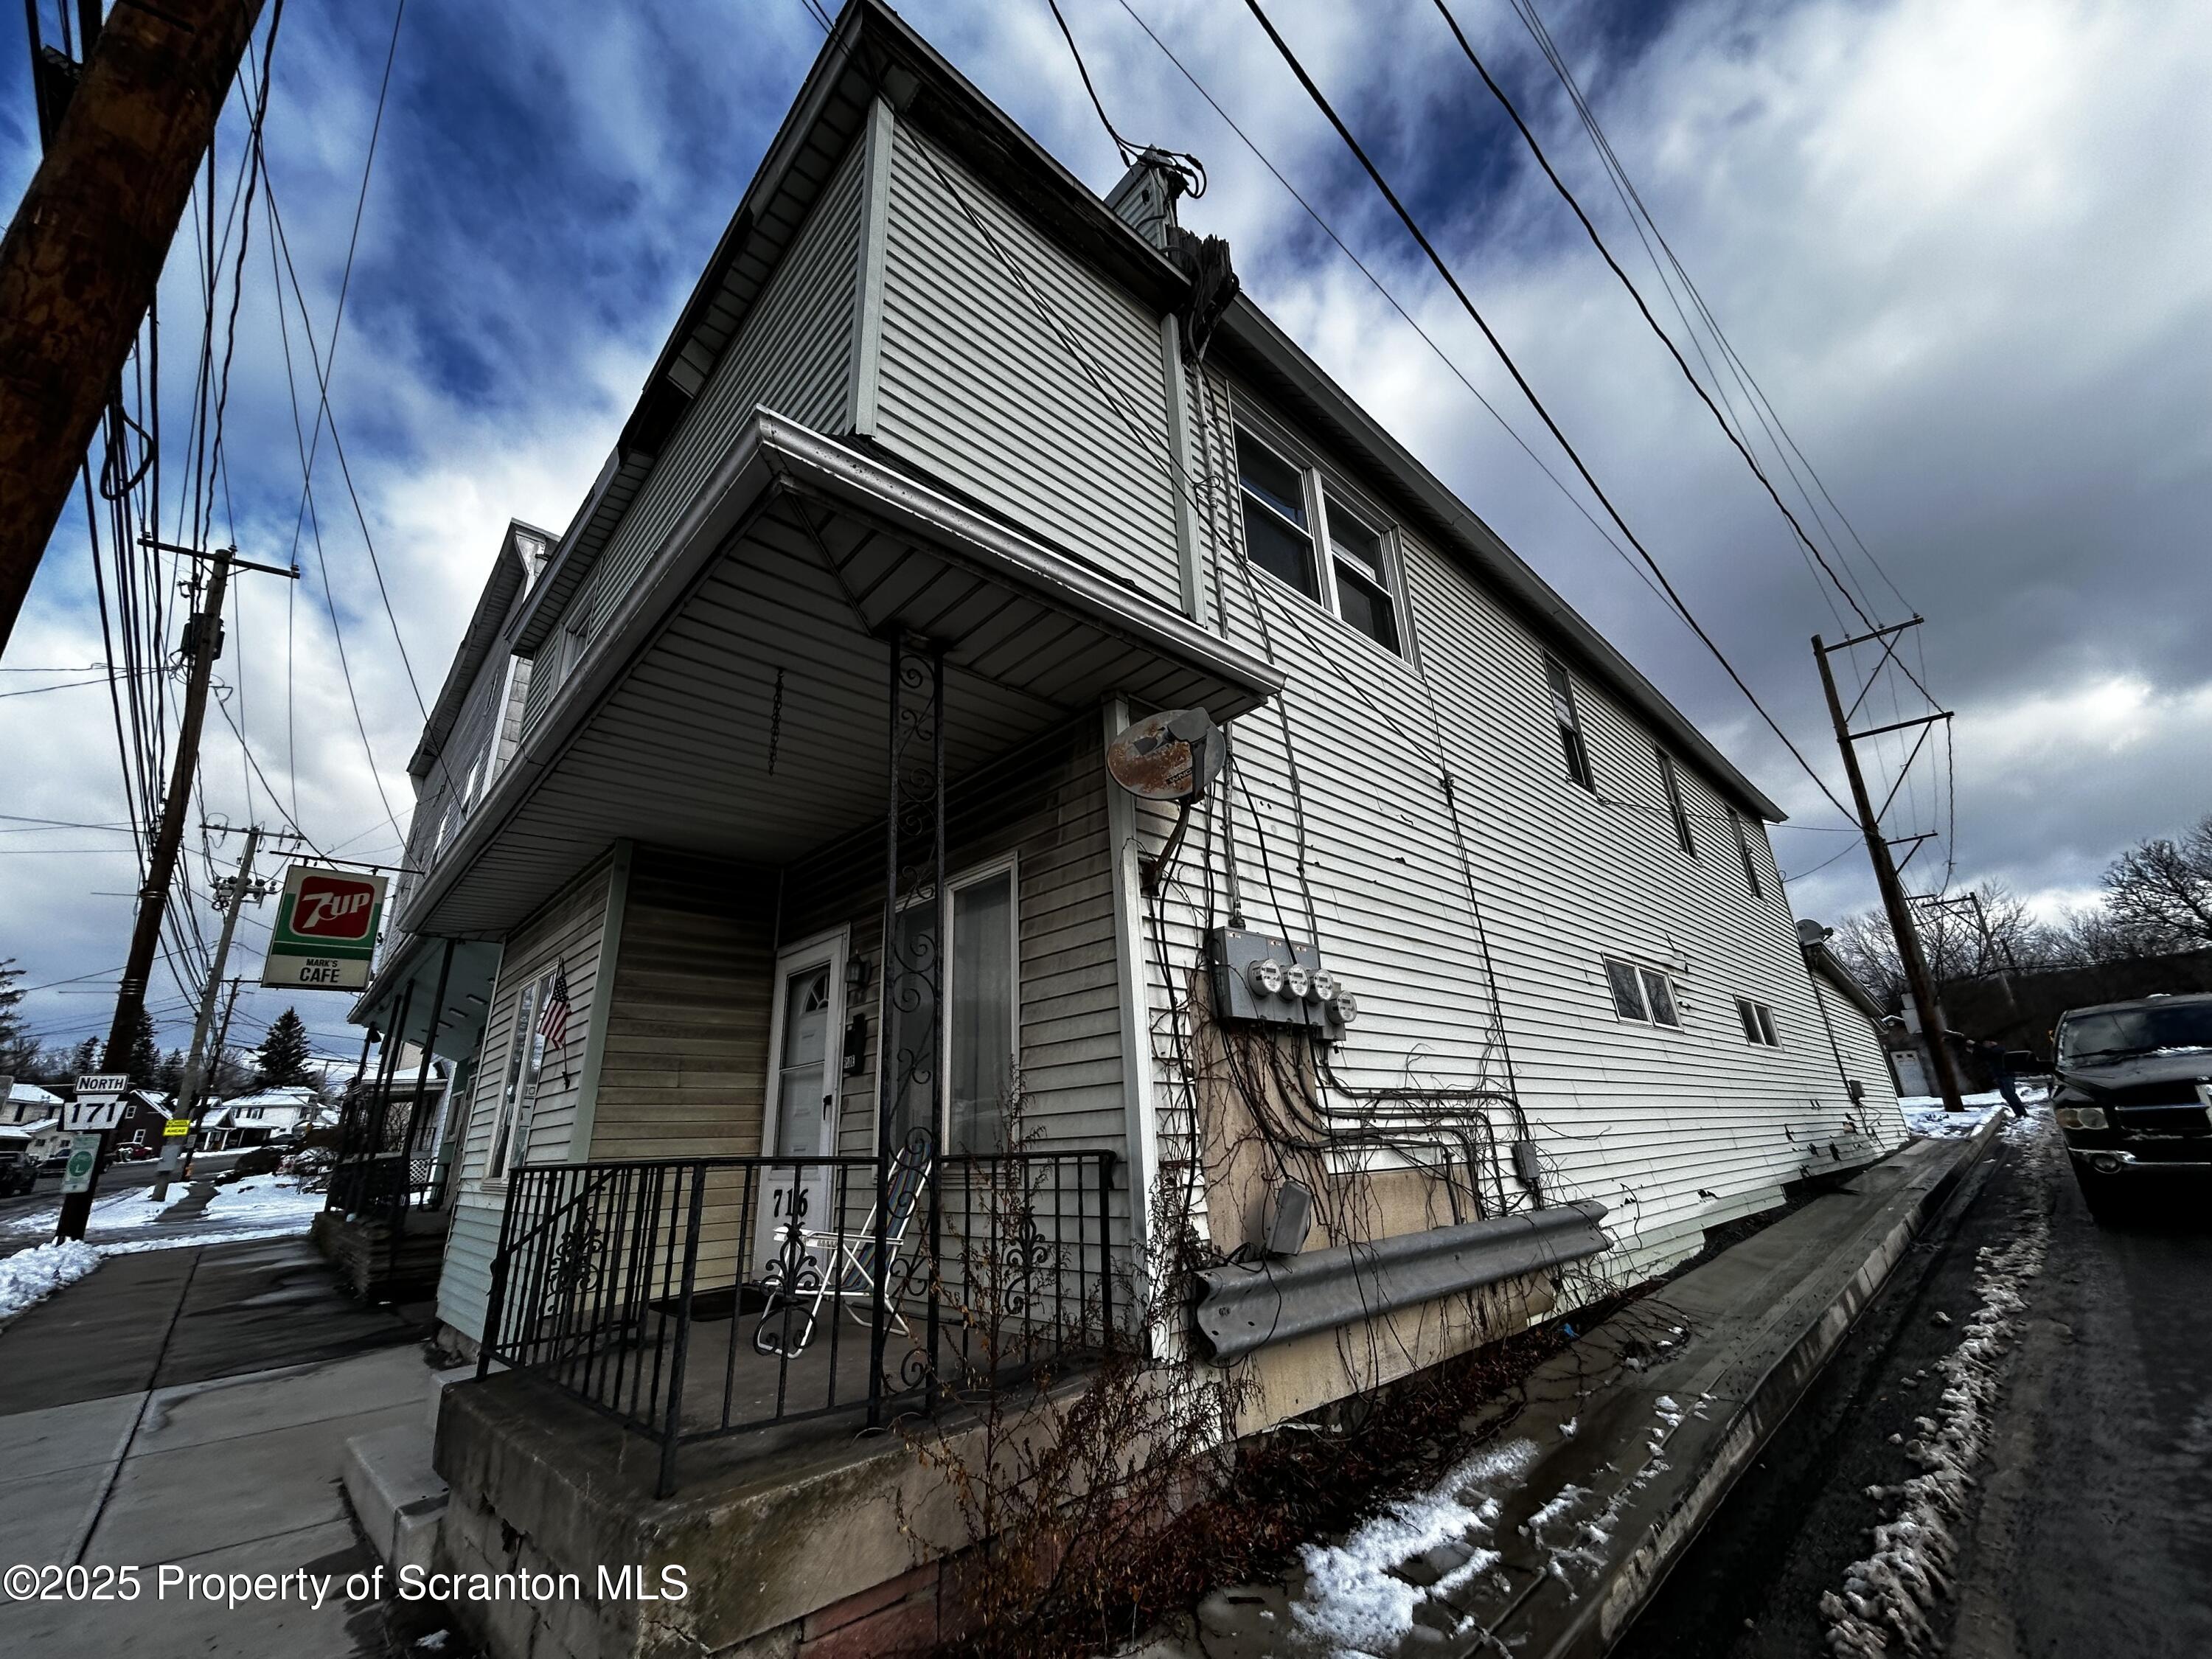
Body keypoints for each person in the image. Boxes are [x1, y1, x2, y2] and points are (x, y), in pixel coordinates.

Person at [1975, 1037, 2025, 1117]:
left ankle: (2023, 1113)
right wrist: (1974, 1052)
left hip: (2006, 1076)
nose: (1985, 1046)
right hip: (2000, 1076)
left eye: (1985, 1044)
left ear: (1991, 1042)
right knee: (2006, 1095)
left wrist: (1975, 1045)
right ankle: (2018, 1113)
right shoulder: (1992, 1052)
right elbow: (1985, 1056)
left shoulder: (1999, 1049)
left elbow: (1989, 1053)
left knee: (2011, 1094)